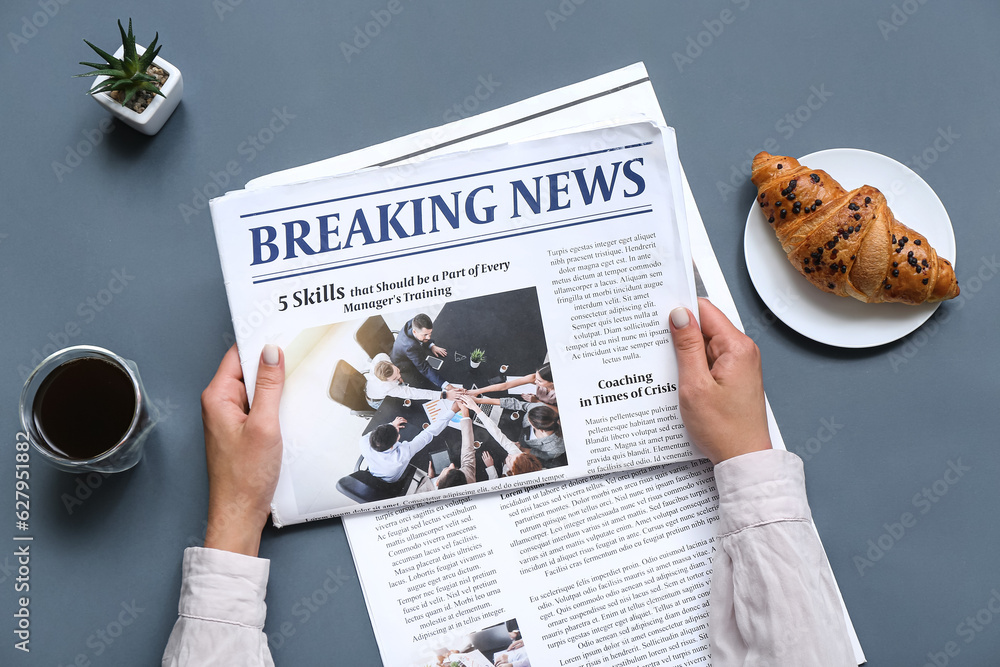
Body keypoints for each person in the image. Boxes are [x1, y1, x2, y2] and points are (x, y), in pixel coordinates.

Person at [162, 297, 856, 666]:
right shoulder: (453, 405)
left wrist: (234, 513)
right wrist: (749, 458)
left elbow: (473, 441)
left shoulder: (429, 429)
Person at [360, 407, 454, 483]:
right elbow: (428, 434)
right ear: (392, 446)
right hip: (392, 480)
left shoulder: (363, 441)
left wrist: (392, 424)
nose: (398, 434)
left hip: (375, 470)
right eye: (397, 435)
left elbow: (377, 431)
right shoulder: (402, 455)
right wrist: (452, 411)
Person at [463, 398, 544, 477]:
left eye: (509, 459)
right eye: (513, 455)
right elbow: (497, 434)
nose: (509, 455)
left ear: (513, 472)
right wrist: (475, 408)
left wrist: (491, 468)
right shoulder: (518, 456)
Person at [473, 395, 564, 466]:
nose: (527, 416)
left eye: (529, 420)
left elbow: (542, 456)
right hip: (515, 428)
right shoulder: (541, 408)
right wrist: (479, 400)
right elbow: (518, 404)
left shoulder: (556, 448)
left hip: (521, 446)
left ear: (540, 429)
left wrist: (522, 449)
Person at [364, 352, 462, 409]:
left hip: (371, 386)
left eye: (397, 371)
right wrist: (445, 395)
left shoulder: (381, 357)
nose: (399, 375)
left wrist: (397, 377)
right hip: (376, 400)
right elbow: (414, 393)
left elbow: (393, 372)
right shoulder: (387, 387)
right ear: (387, 381)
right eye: (394, 378)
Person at [391, 313, 448, 389]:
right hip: (405, 365)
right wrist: (446, 385)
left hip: (412, 351)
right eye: (425, 335)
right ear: (414, 332)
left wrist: (431, 345)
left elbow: (424, 336)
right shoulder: (410, 347)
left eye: (430, 333)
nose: (428, 337)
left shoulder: (415, 322)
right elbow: (424, 368)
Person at [469, 362, 556, 406]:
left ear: (552, 382)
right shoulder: (534, 378)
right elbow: (506, 385)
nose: (535, 382)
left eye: (539, 381)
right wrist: (478, 391)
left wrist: (537, 401)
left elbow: (557, 412)